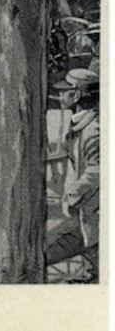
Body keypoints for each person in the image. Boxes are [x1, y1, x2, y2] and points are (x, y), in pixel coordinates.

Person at [45, 68, 100, 282]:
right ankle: (93, 273)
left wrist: (71, 194)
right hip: (83, 209)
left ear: (76, 96)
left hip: (89, 209)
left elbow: (97, 170)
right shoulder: (81, 122)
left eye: (64, 92)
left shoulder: (93, 130)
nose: (59, 96)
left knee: (48, 251)